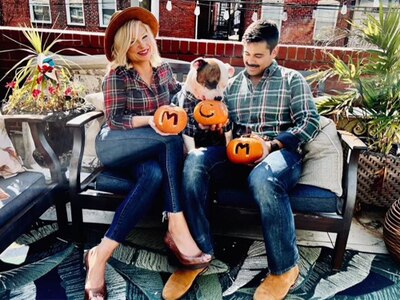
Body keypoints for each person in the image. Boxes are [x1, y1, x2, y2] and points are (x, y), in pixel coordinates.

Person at [174, 20, 320, 300]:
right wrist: (213, 127)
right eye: (246, 54)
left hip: (279, 156)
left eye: (258, 56)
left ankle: (285, 269)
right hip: (236, 154)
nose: (250, 61)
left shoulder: (292, 80)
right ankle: (199, 253)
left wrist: (272, 144)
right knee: (194, 162)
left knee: (263, 179)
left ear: (274, 53)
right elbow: (223, 124)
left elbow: (310, 122)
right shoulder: (232, 85)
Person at [84, 7, 210, 300]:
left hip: (149, 153)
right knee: (168, 138)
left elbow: (177, 99)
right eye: (132, 41)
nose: (142, 44)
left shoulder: (162, 69)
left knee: (153, 174)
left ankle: (100, 255)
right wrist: (152, 120)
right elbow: (115, 118)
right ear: (121, 47)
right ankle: (176, 226)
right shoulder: (118, 74)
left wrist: (196, 88)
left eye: (145, 37)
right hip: (116, 144)